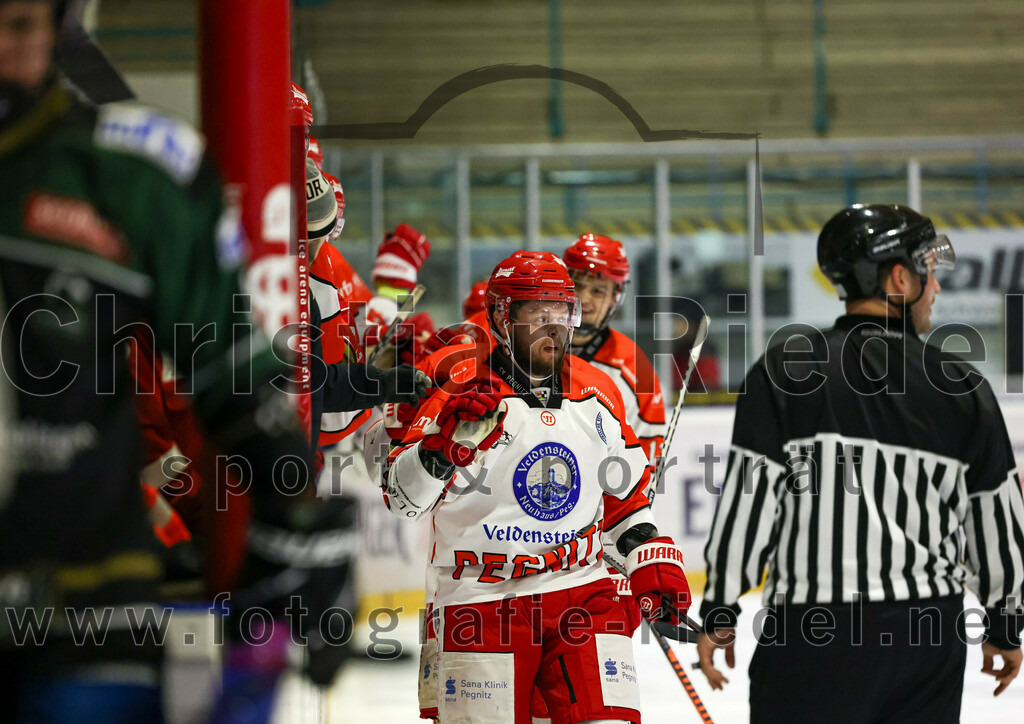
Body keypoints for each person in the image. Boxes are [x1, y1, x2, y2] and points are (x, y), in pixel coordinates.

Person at [0, 2, 327, 720]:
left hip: (87, 612)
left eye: (18, 22)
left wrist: (295, 505)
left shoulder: (135, 175)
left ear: (60, 28)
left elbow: (230, 369)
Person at [698, 204, 1024, 723]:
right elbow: (995, 519)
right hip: (927, 633)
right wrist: (1005, 625)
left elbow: (747, 500)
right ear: (899, 278)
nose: (935, 288)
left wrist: (720, 608)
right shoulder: (963, 387)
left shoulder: (785, 369)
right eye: (928, 272)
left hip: (811, 632)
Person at [368, 254, 692, 723]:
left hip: (582, 590)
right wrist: (438, 452)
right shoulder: (459, 390)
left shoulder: (599, 391)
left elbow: (627, 503)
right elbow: (403, 501)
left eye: (561, 313)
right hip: (480, 600)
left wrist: (651, 558)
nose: (553, 327)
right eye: (537, 314)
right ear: (502, 318)